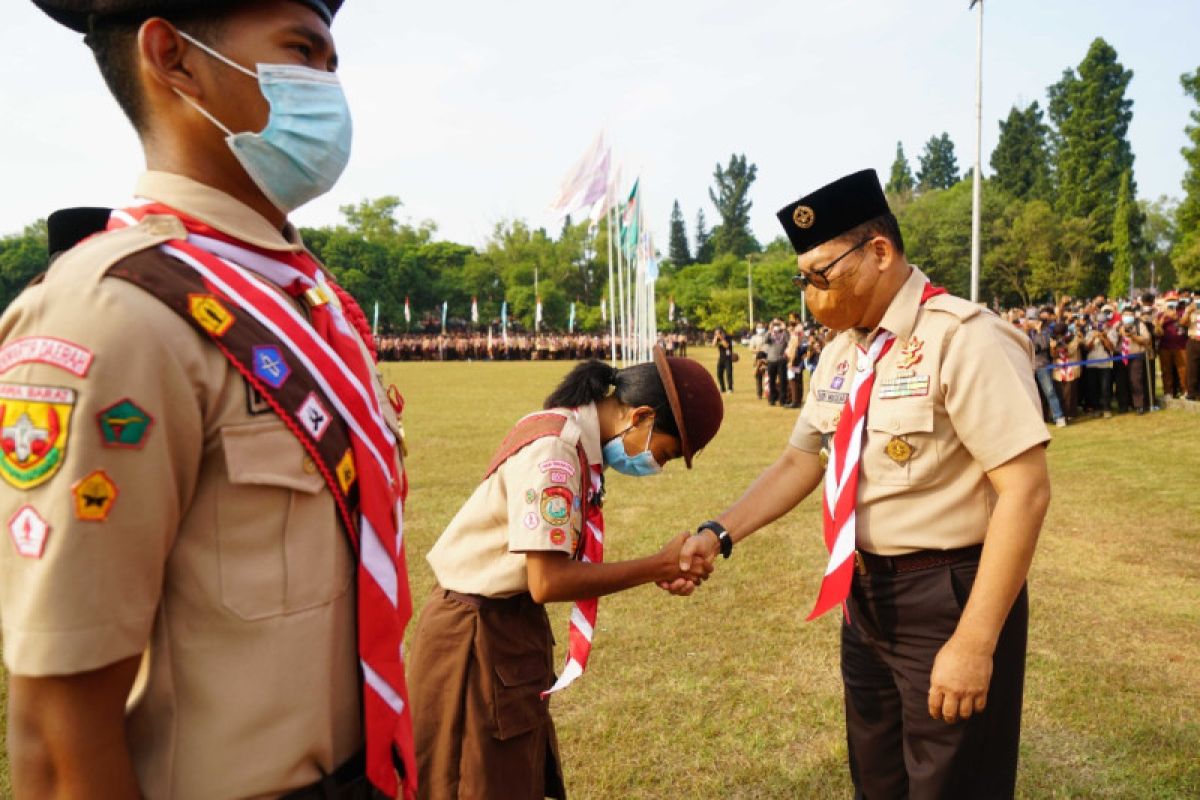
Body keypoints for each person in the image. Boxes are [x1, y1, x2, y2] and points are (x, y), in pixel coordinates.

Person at [2, 2, 416, 798]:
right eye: (302, 51)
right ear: (174, 58)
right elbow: (59, 739)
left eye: (331, 65)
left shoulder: (306, 300)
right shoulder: (113, 314)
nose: (327, 87)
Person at [668, 170, 1052, 798]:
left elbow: (1026, 489)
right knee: (879, 781)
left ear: (879, 252)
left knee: (954, 782)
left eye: (823, 274)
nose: (812, 293)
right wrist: (719, 531)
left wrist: (976, 639)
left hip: (947, 594)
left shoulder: (964, 337)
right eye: (804, 279)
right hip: (865, 597)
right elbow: (800, 461)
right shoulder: (843, 352)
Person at [409, 348, 723, 799]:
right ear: (641, 417)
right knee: (474, 781)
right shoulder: (555, 452)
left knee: (512, 774)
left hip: (503, 629)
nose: (657, 465)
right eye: (666, 453)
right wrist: (657, 565)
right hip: (475, 640)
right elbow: (547, 580)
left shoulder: (574, 439)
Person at [713, 326, 735, 393]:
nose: (717, 335)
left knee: (729, 374)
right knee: (719, 373)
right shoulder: (717, 338)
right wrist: (716, 338)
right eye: (715, 334)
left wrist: (722, 338)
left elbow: (726, 345)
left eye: (717, 333)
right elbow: (713, 345)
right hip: (721, 358)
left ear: (721, 333)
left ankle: (730, 388)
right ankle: (722, 388)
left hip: (728, 358)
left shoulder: (727, 337)